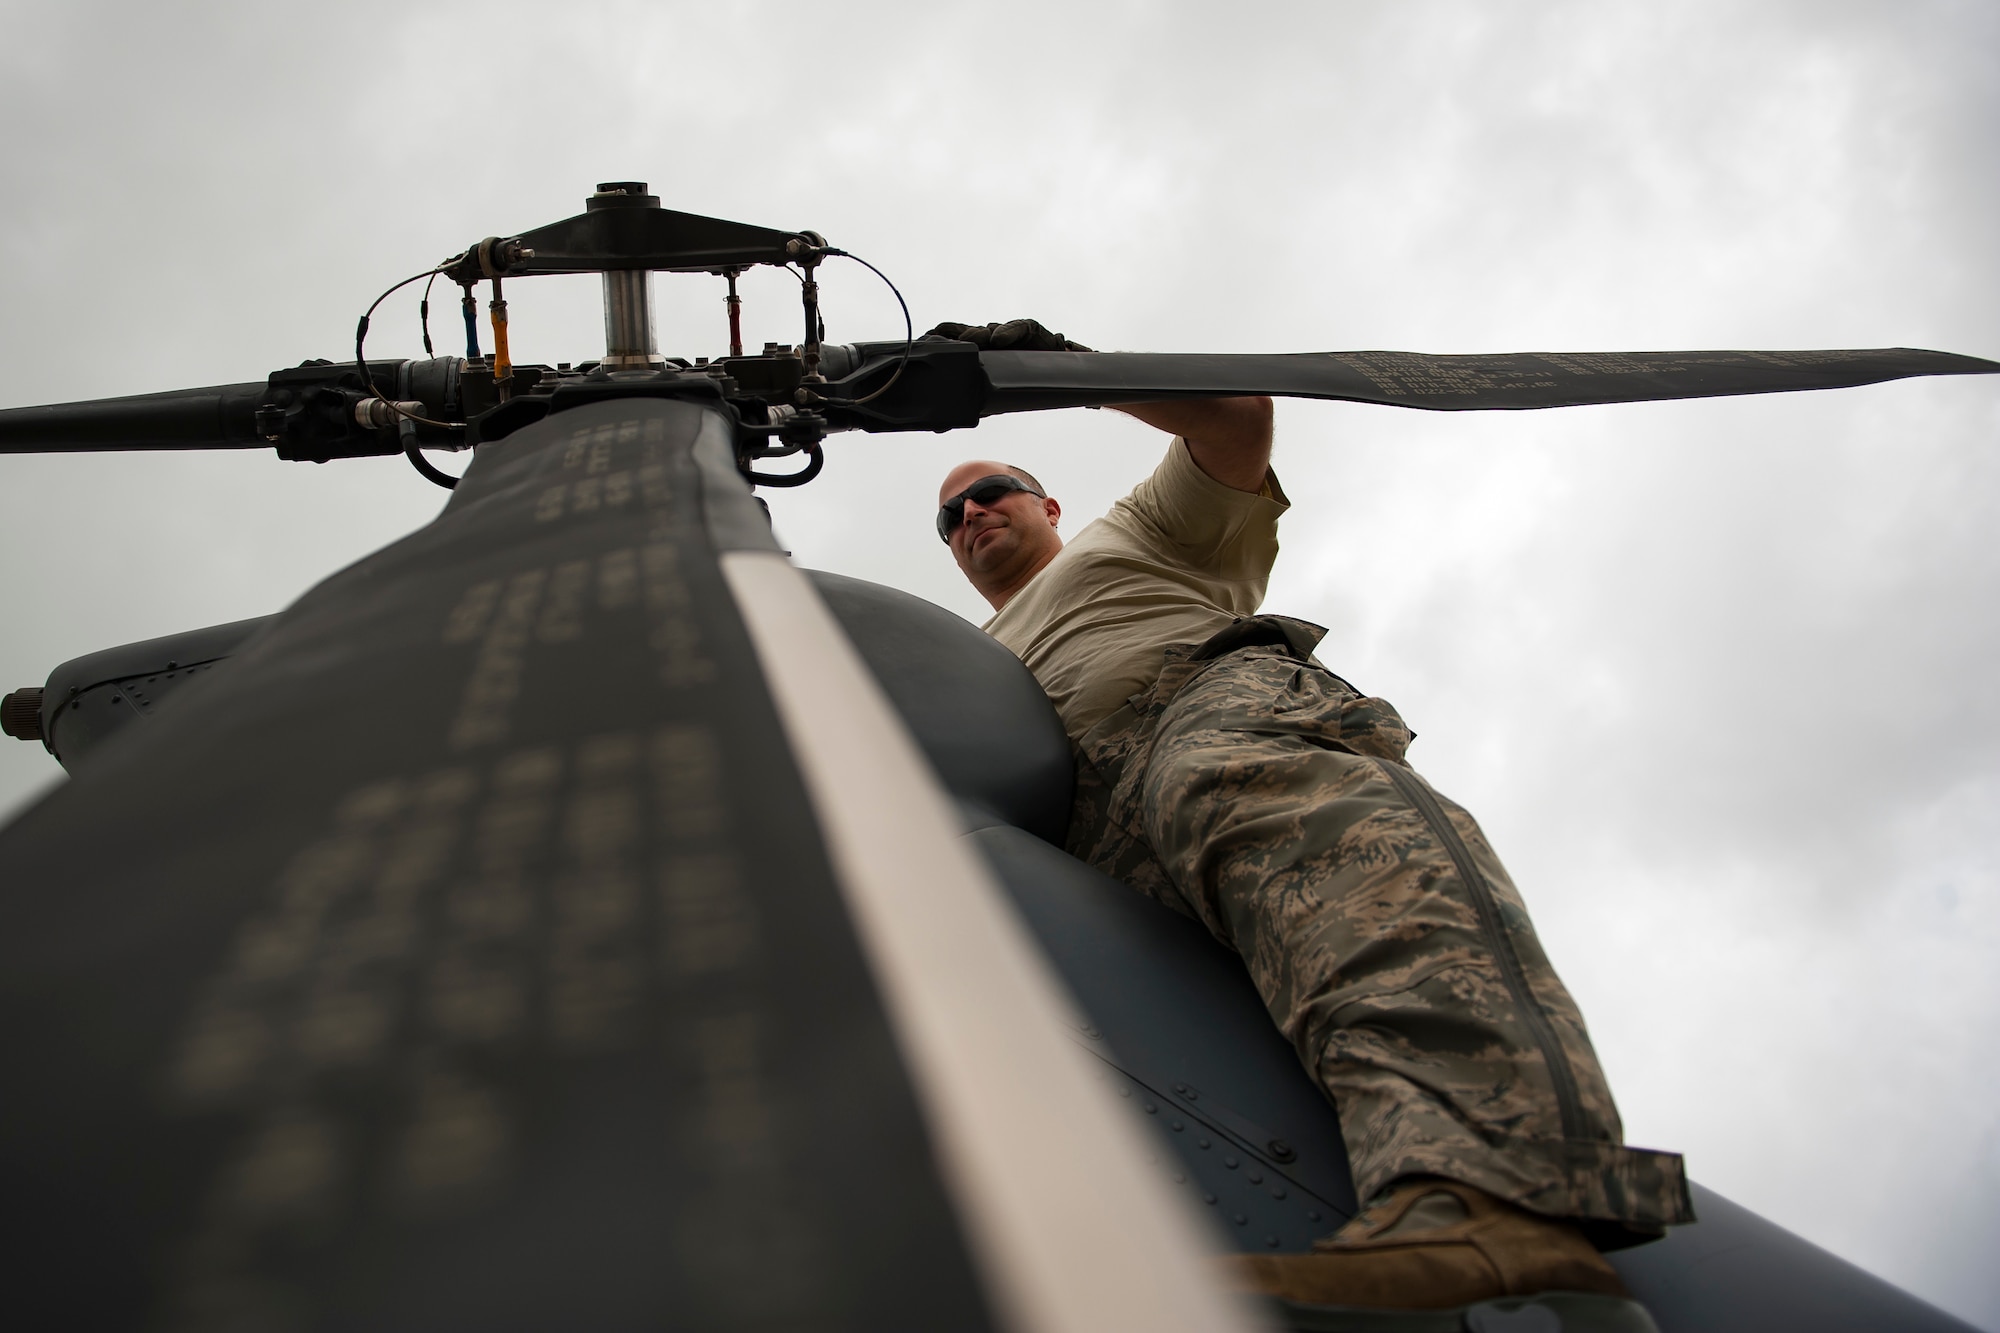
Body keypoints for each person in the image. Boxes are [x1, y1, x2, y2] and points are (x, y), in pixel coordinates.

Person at [930, 321, 1693, 1316]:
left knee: (1252, 805)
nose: (969, 513)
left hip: (1195, 715)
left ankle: (1487, 1190)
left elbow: (1234, 420)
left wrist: (1054, 373)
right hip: (1087, 841)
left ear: (1047, 505)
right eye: (949, 516)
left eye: (989, 491)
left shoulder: (1136, 533)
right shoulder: (952, 662)